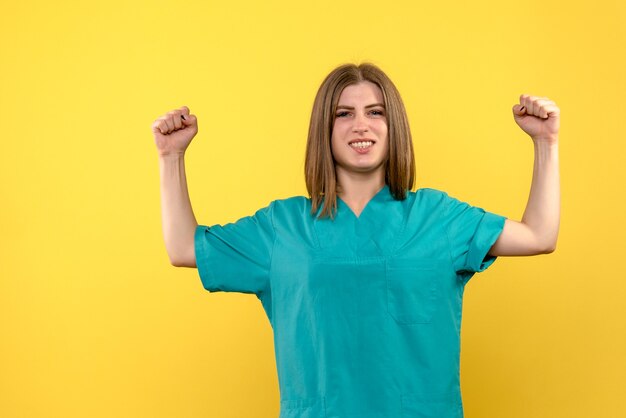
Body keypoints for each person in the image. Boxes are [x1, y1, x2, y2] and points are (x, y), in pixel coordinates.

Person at [152, 62, 560, 418]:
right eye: (343, 113)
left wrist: (546, 142)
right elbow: (185, 247)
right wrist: (171, 158)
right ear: (323, 130)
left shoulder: (438, 219)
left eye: (375, 112)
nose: (360, 125)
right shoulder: (283, 227)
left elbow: (539, 235)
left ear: (393, 125)